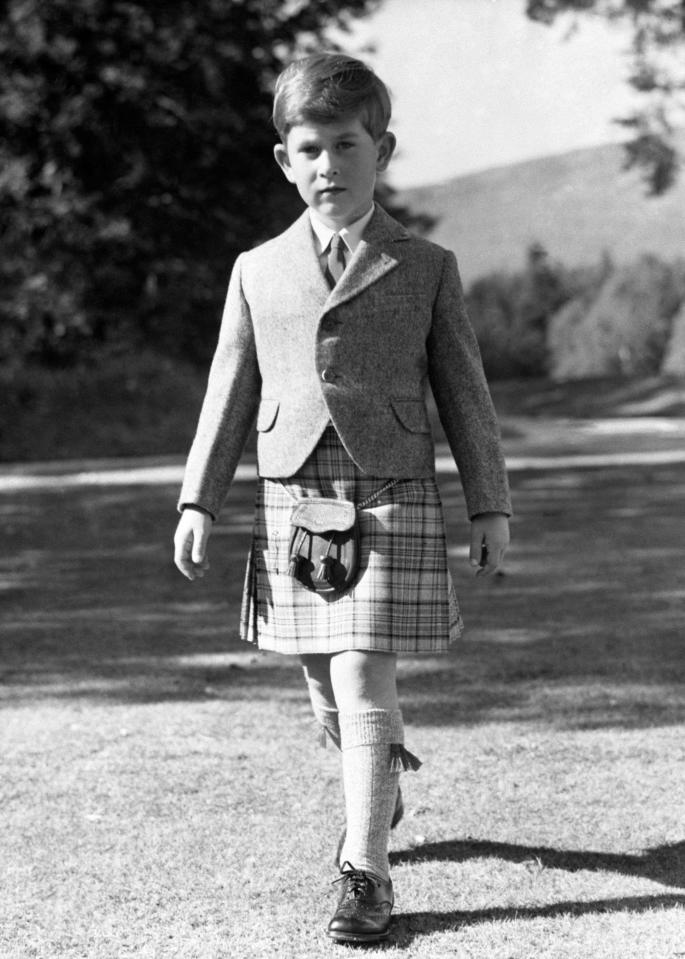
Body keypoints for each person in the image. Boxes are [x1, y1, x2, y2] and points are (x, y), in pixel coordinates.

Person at [173, 51, 511, 945]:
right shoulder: (256, 269)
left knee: (363, 665)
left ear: (382, 150)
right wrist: (197, 499)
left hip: (391, 484)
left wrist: (490, 504)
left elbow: (464, 390)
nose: (329, 165)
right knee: (320, 672)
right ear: (285, 159)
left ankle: (365, 871)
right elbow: (229, 386)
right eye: (310, 148)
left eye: (346, 145)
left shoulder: (425, 264)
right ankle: (380, 769)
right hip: (292, 487)